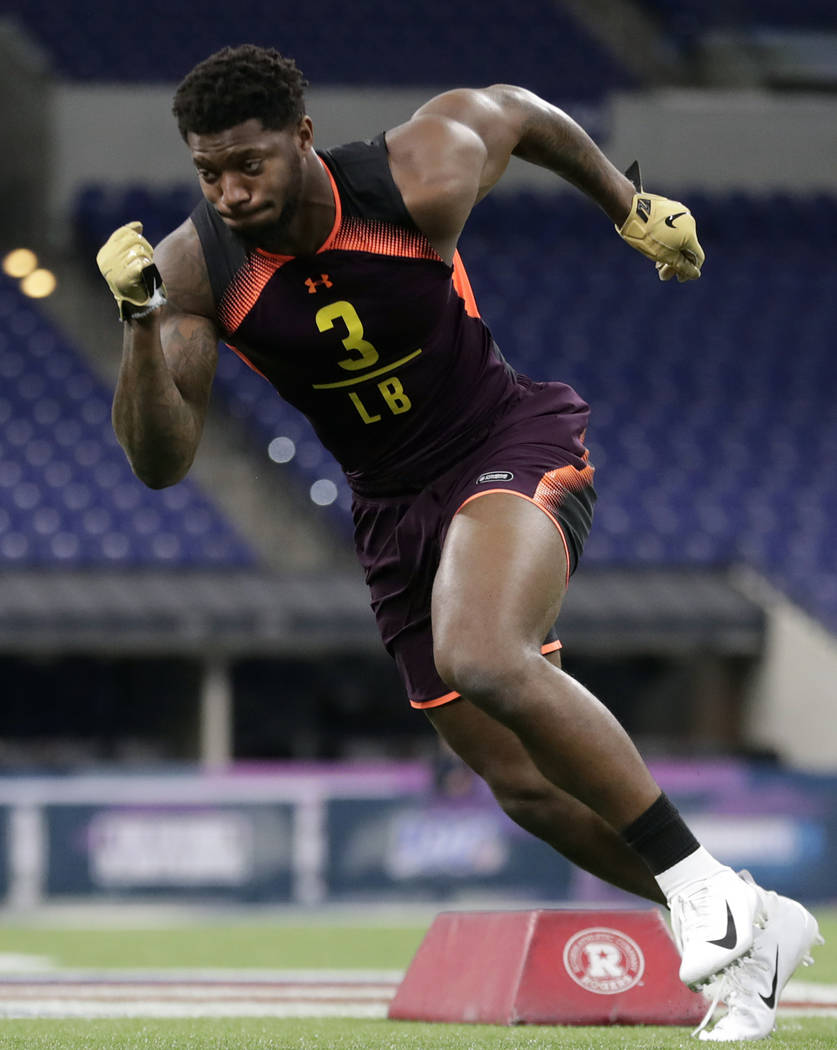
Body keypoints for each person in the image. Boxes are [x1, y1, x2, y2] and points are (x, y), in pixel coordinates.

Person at [96, 44, 821, 1040]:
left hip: (505, 442)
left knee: (482, 653)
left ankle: (701, 890)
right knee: (521, 784)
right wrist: (138, 324)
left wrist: (624, 203)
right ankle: (751, 928)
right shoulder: (197, 269)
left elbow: (517, 109)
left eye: (249, 163)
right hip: (390, 508)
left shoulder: (416, 173)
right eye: (207, 172)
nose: (229, 190)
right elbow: (160, 461)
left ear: (302, 137)